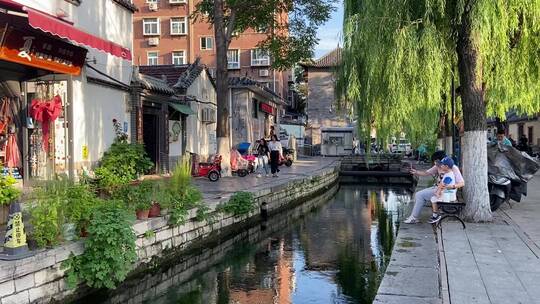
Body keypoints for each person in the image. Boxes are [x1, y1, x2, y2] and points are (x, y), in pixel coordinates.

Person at [404, 151, 465, 224]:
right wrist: (416, 172)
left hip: (446, 191)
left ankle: (414, 217)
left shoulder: (453, 168)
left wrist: (452, 186)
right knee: (419, 194)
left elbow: (462, 183)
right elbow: (427, 173)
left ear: (442, 161)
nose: (435, 164)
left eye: (436, 162)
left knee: (419, 195)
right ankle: (414, 216)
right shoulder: (438, 166)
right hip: (438, 188)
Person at [427, 156, 457, 223]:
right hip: (447, 193)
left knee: (433, 199)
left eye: (442, 165)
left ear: (446, 166)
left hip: (449, 195)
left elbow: (443, 185)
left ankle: (436, 215)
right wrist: (438, 191)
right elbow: (441, 184)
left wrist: (438, 192)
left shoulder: (449, 175)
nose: (440, 166)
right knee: (434, 198)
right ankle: (436, 214)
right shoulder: (447, 173)